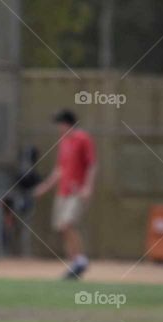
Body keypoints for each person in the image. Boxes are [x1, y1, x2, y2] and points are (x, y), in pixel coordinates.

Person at [32, 109, 97, 279]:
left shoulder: (82, 138)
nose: (58, 127)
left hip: (77, 191)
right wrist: (45, 186)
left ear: (67, 124)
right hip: (63, 191)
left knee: (67, 223)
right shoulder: (63, 142)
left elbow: (92, 164)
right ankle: (75, 263)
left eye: (60, 124)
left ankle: (81, 260)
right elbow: (60, 169)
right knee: (62, 227)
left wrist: (88, 187)